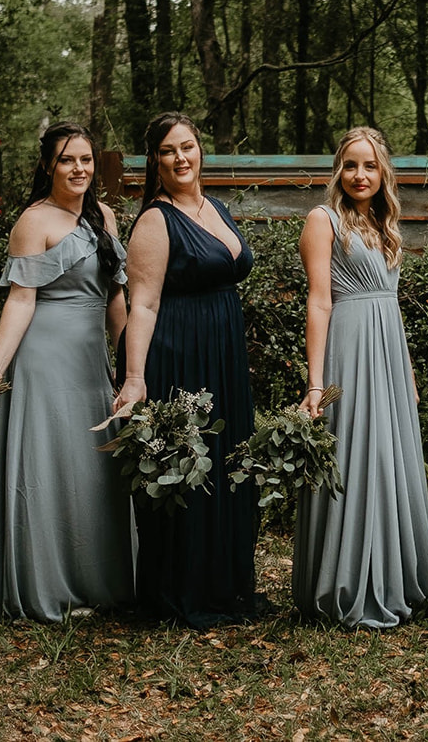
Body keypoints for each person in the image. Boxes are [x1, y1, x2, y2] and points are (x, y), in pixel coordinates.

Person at [0, 122, 135, 622]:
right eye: (67, 160)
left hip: (90, 360)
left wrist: (130, 365)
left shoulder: (104, 215)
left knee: (93, 467)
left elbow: (116, 298)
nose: (79, 168)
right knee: (49, 467)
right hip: (45, 358)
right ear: (48, 166)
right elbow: (21, 300)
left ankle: (99, 581)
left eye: (86, 159)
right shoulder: (33, 221)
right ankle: (47, 585)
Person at [114, 111, 262, 626]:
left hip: (223, 353)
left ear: (201, 150)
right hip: (179, 352)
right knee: (189, 465)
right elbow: (143, 304)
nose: (181, 158)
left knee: (226, 461)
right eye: (168, 151)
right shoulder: (156, 219)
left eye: (188, 147)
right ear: (155, 161)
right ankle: (182, 590)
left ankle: (224, 586)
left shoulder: (215, 207)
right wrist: (135, 378)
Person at [293, 127, 428, 627]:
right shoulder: (323, 220)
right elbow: (318, 301)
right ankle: (347, 580)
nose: (360, 175)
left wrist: (407, 373)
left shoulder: (384, 225)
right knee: (354, 456)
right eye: (351, 165)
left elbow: (391, 306)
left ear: (383, 173)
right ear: (339, 170)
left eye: (370, 166)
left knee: (388, 459)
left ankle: (392, 576)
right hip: (349, 350)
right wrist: (316, 383)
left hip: (388, 355)